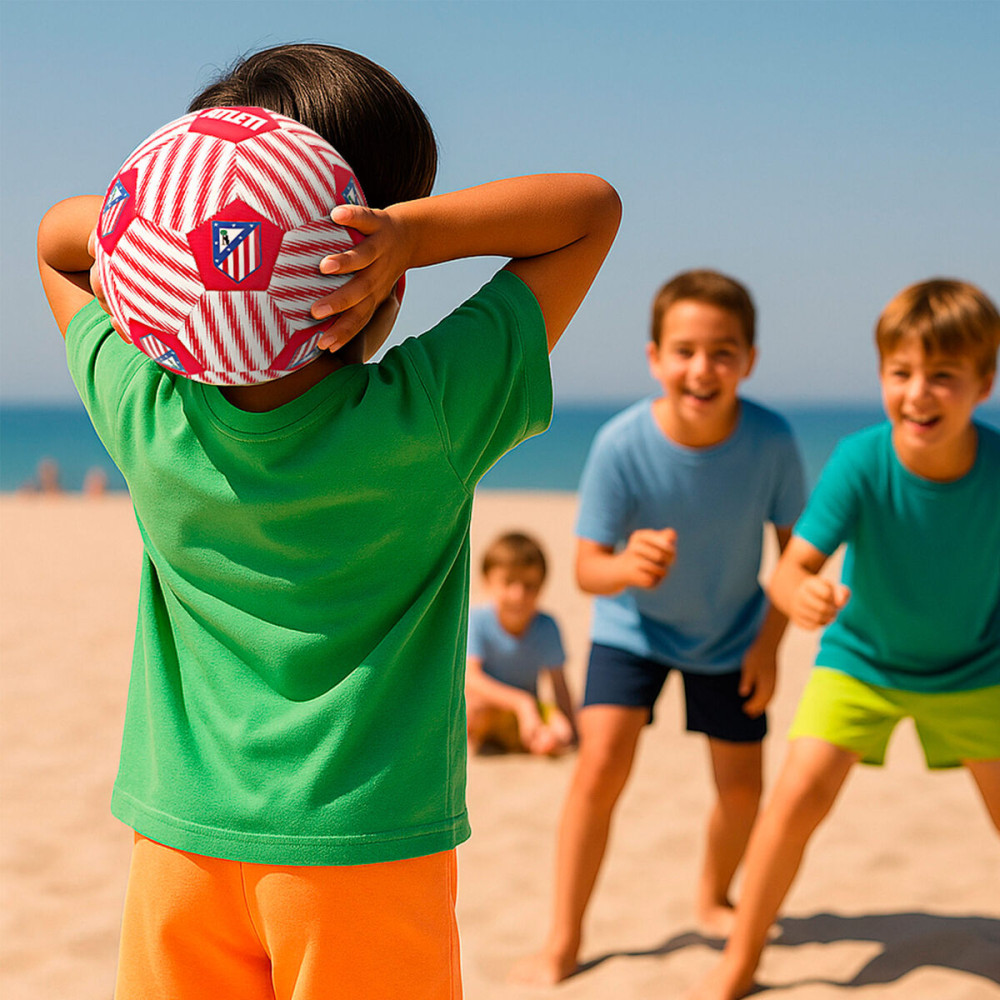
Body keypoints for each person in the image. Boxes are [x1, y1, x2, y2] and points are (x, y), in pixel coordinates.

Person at [36, 43, 621, 1000]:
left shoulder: (150, 416)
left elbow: (60, 239)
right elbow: (589, 211)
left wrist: (188, 224)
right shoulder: (427, 414)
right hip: (364, 848)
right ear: (376, 267)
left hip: (180, 841)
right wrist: (410, 235)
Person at [689, 278, 1000, 1000]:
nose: (918, 393)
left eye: (943, 377)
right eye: (901, 373)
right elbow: (789, 570)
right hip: (861, 661)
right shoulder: (863, 461)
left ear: (984, 384)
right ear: (882, 375)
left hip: (975, 666)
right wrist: (807, 596)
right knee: (796, 799)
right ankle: (740, 961)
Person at [511, 269, 805, 984]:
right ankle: (564, 935)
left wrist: (769, 645)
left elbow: (796, 553)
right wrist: (628, 568)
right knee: (599, 768)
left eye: (722, 351)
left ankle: (712, 897)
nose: (702, 368)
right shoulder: (621, 443)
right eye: (684, 351)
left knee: (741, 791)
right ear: (654, 358)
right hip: (631, 630)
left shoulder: (771, 440)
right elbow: (586, 569)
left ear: (750, 361)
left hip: (732, 633)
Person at [466, 532, 576, 756]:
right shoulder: (477, 621)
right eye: (508, 583)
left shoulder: (546, 626)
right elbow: (471, 677)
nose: (519, 595)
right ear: (487, 581)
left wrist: (572, 732)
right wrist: (520, 702)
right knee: (475, 709)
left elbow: (559, 684)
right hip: (487, 710)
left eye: (529, 586)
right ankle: (481, 741)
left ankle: (529, 742)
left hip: (528, 715)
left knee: (561, 731)